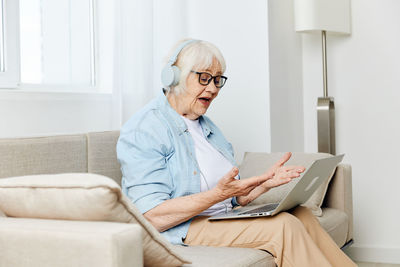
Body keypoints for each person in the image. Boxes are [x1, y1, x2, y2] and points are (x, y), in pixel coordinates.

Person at [117, 39, 356, 267]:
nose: (213, 89)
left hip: (221, 216)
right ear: (175, 76)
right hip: (182, 229)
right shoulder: (145, 129)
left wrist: (264, 184)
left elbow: (234, 199)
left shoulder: (207, 126)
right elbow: (151, 216)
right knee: (282, 226)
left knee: (301, 213)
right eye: (204, 78)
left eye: (218, 80)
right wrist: (217, 195)